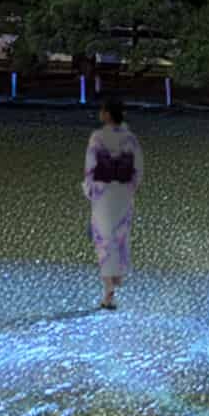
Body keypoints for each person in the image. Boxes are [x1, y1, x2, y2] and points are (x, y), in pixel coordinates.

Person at [82, 96, 142, 310]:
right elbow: (137, 171)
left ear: (107, 114)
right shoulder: (130, 139)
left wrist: (91, 193)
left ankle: (109, 292)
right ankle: (116, 275)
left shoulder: (98, 138)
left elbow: (90, 169)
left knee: (103, 240)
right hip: (123, 194)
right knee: (119, 237)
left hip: (104, 193)